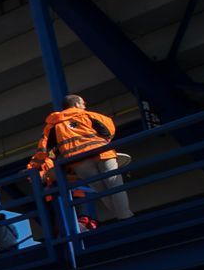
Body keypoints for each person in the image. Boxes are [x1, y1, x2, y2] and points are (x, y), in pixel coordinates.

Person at [29, 94, 132, 226]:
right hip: (103, 154)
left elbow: (48, 149)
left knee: (102, 191)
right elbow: (109, 130)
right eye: (83, 103)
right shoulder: (91, 116)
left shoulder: (53, 125)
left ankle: (123, 217)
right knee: (115, 185)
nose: (84, 106)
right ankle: (126, 217)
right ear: (77, 104)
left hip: (79, 161)